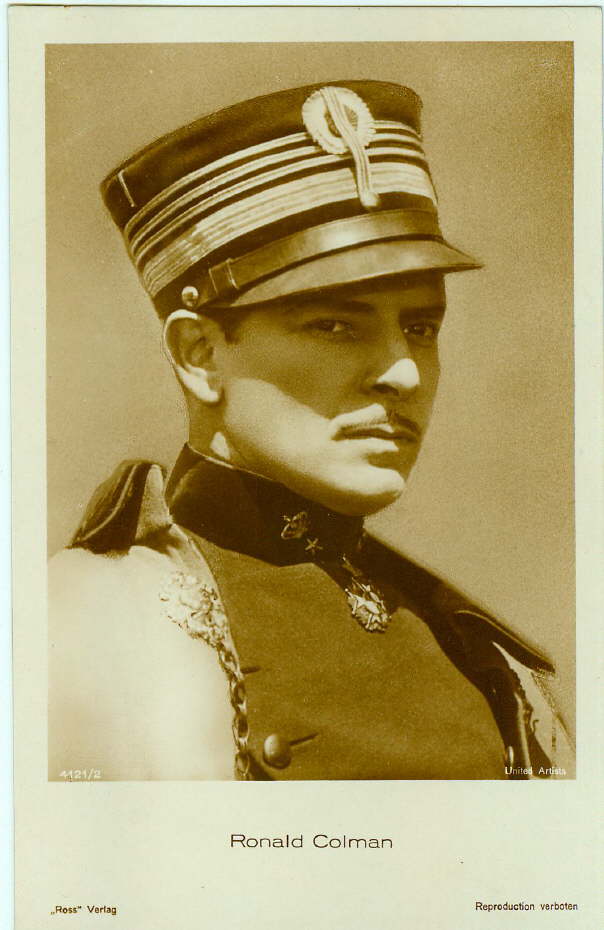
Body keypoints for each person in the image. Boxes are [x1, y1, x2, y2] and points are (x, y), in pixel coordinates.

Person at [48, 80, 574, 781]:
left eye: (421, 328)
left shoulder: (482, 658)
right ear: (199, 354)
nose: (403, 374)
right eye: (334, 325)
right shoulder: (83, 621)